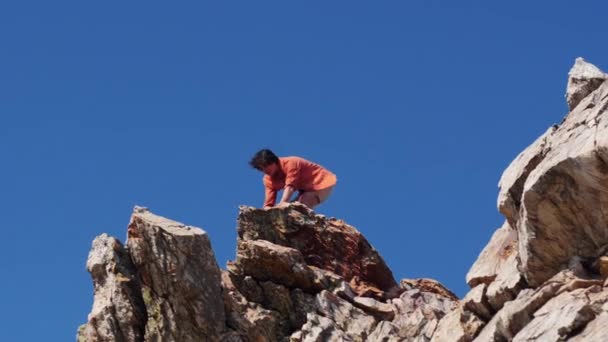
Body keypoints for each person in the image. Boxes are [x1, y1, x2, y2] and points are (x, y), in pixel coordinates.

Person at [249, 149, 337, 209]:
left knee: (301, 206)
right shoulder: (268, 179)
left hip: (322, 182)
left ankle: (307, 231)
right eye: (261, 169)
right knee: (291, 209)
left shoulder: (292, 163)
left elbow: (290, 186)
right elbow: (268, 203)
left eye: (266, 166)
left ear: (273, 161)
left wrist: (282, 204)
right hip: (305, 190)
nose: (264, 170)